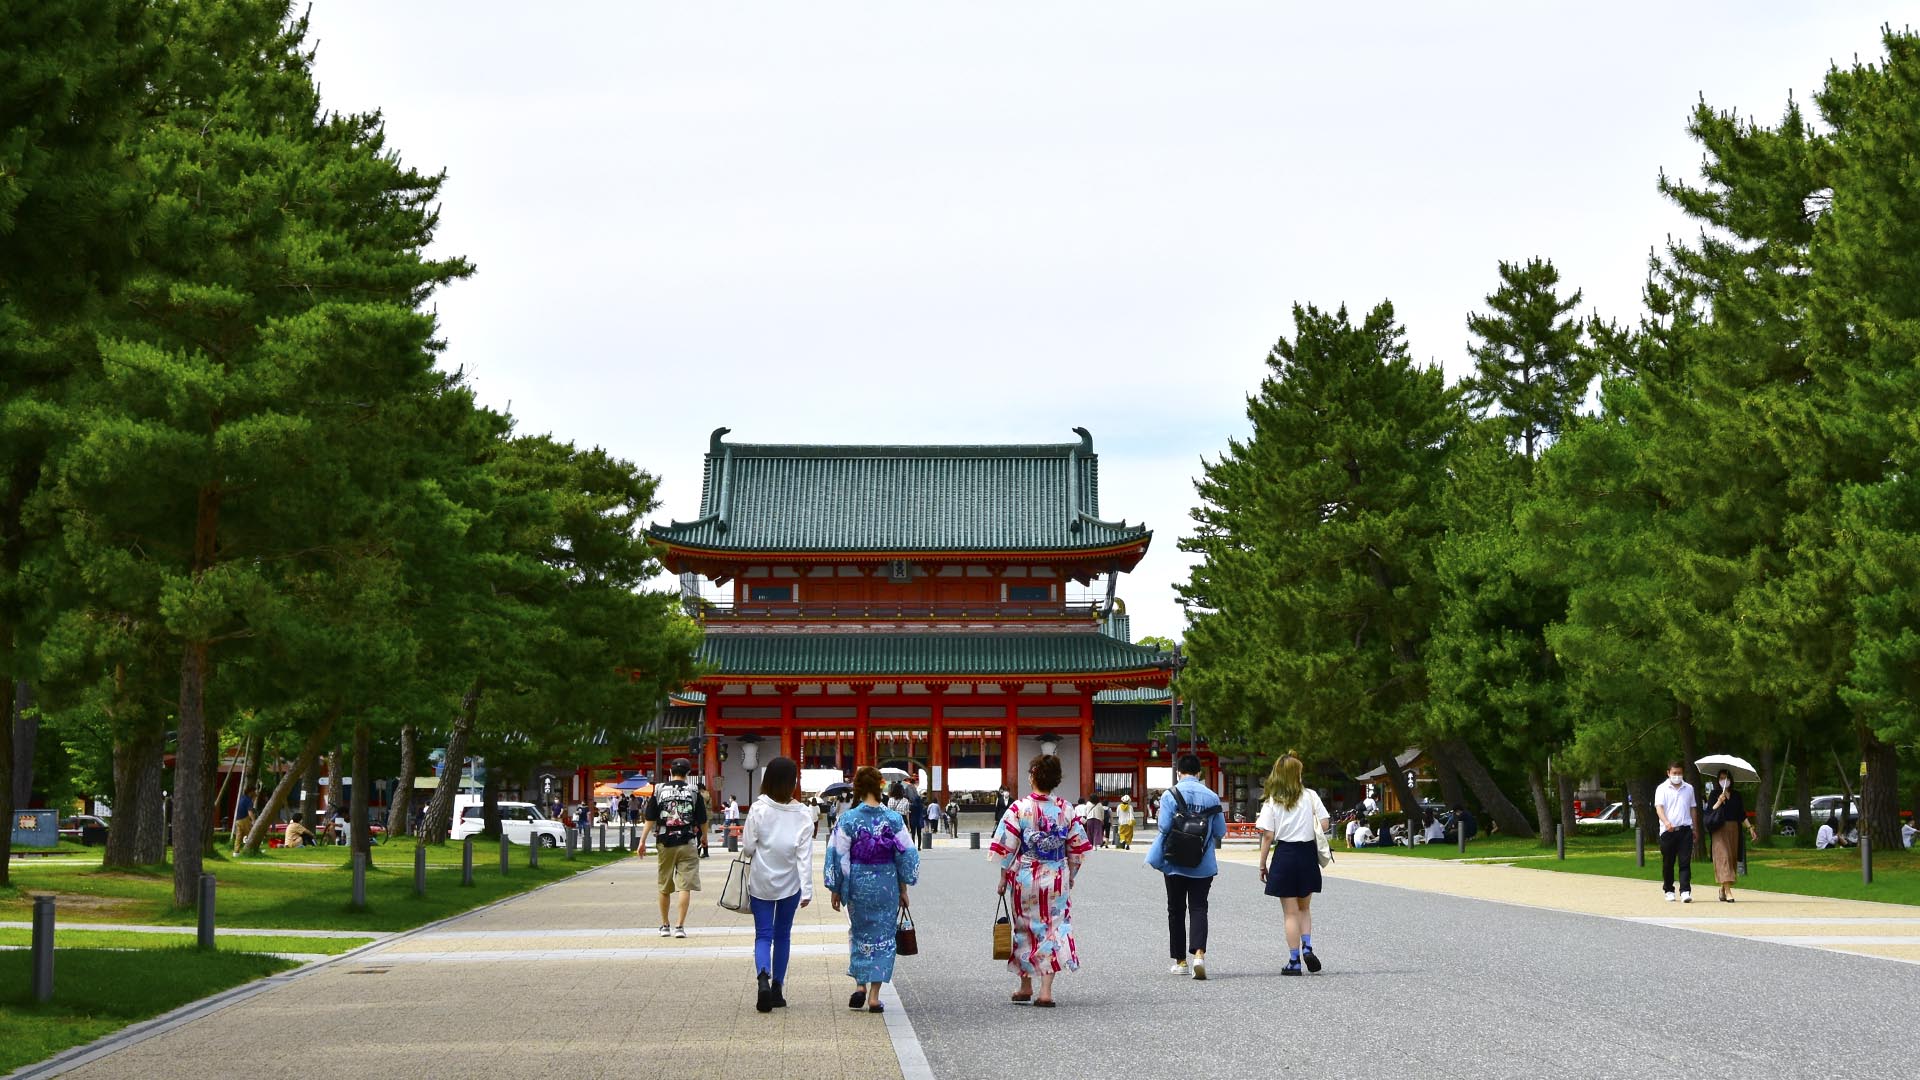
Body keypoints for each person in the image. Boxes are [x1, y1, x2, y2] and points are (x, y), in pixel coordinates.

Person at [990, 754, 1091, 1007]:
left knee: (1025, 927)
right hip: (1056, 875)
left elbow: (1007, 847)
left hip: (1026, 874)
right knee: (1053, 928)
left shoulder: (1019, 808)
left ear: (1032, 775)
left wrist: (1003, 876)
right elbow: (1076, 849)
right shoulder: (1066, 809)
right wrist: (1071, 874)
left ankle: (1025, 985)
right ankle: (1045, 991)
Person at [825, 765, 920, 1015]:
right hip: (886, 883)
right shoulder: (893, 819)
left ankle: (860, 985)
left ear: (857, 788)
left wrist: (836, 888)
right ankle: (875, 997)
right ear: (881, 786)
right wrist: (903, 888)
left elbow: (838, 856)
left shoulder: (848, 819)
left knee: (860, 933)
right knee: (884, 936)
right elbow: (906, 855)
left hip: (858, 883)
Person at [740, 756, 813, 1013]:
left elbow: (748, 848)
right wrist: (808, 888)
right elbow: (804, 856)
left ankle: (763, 978)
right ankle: (778, 989)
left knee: (763, 934)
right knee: (783, 935)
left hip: (760, 881)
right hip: (790, 884)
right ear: (792, 782)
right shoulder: (803, 813)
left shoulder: (758, 809)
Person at [1145, 753, 1227, 980]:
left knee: (1176, 909)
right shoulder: (1212, 797)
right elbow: (1220, 831)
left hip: (1175, 862)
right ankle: (1199, 954)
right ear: (1199, 773)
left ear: (1179, 772)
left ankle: (1180, 961)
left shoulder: (1171, 795)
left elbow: (1163, 826)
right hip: (1203, 862)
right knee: (1199, 907)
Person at [1255, 753, 1331, 975]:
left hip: (1285, 854)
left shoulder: (1272, 800)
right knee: (1304, 907)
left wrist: (1262, 864)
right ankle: (1307, 946)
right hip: (1307, 855)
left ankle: (1294, 961)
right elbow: (1324, 824)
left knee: (1290, 913)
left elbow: (1268, 835)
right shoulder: (1311, 796)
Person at [639, 757, 708, 937]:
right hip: (687, 841)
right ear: (688, 774)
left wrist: (642, 841)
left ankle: (664, 925)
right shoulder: (694, 791)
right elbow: (702, 819)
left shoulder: (660, 790)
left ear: (670, 772)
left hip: (665, 840)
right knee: (684, 886)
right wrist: (705, 838)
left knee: (664, 884)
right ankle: (679, 927)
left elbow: (650, 818)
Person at [1704, 767, 1756, 902]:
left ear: (1731, 780)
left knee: (1731, 859)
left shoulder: (1737, 795)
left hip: (1734, 829)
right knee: (1723, 858)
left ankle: (1722, 888)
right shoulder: (1715, 794)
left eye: (1726, 778)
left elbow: (1741, 815)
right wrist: (1719, 801)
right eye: (1721, 778)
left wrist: (1750, 828)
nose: (1724, 781)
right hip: (1719, 829)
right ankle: (1728, 892)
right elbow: (1710, 811)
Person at [1654, 760, 1697, 903]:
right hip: (1668, 831)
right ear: (1668, 773)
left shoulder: (1689, 788)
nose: (1677, 776)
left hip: (1685, 830)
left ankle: (1685, 890)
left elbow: (1693, 808)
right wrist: (1666, 822)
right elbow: (1659, 807)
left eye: (1679, 773)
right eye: (1674, 773)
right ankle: (1669, 889)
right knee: (1668, 862)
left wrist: (1694, 827)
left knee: (1685, 862)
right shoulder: (1662, 788)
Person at [232, 786, 259, 853]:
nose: (255, 793)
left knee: (239, 836)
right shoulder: (248, 800)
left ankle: (236, 851)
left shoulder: (242, 798)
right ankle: (252, 850)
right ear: (251, 792)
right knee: (251, 834)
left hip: (238, 820)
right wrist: (254, 821)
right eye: (254, 791)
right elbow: (250, 812)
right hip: (244, 819)